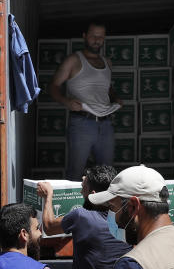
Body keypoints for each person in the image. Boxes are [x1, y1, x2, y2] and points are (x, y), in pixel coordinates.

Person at [48, 21, 123, 178]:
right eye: (93, 36)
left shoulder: (107, 62)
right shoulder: (73, 60)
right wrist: (66, 101)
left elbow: (106, 88)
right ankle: (73, 203)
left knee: (107, 173)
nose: (96, 40)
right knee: (75, 171)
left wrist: (116, 98)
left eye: (100, 37)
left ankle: (102, 203)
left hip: (106, 123)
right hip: (81, 123)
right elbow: (53, 86)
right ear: (84, 36)